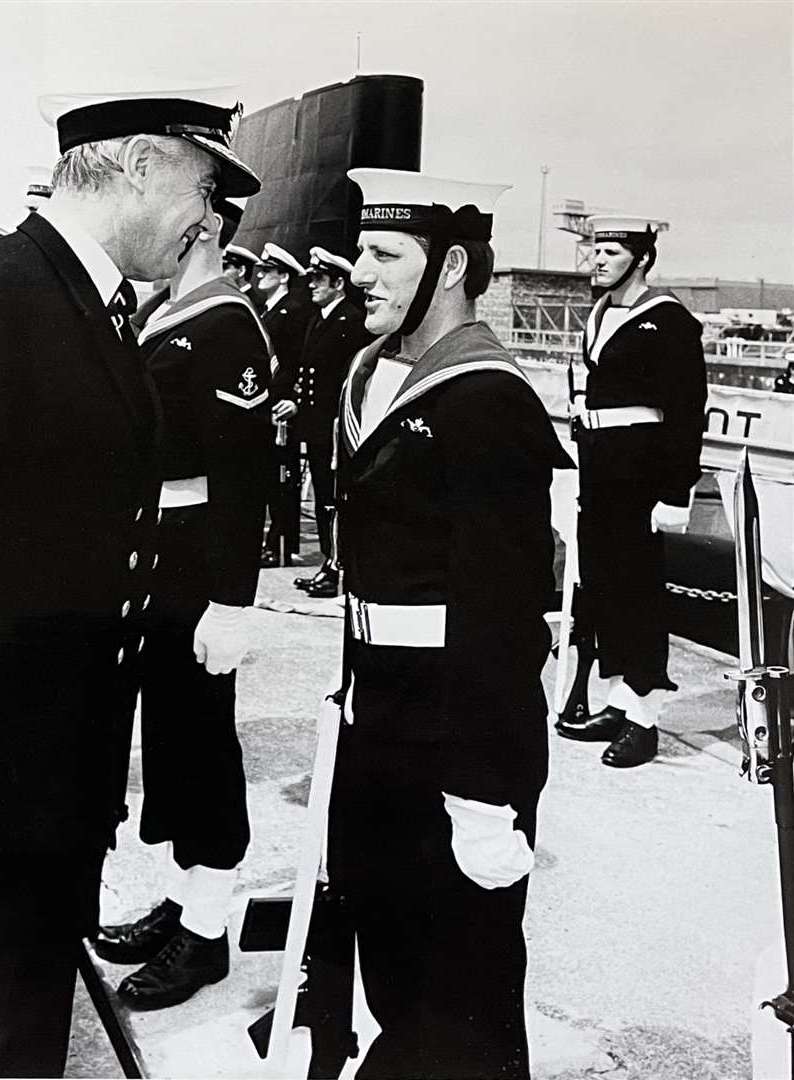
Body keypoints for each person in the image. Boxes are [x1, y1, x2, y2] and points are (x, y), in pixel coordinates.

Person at [0, 85, 260, 1076]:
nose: (208, 218)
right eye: (202, 184)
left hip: (35, 787)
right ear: (141, 165)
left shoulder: (72, 301)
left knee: (12, 1041)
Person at [320, 168, 572, 1079]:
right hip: (375, 711)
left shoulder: (487, 400)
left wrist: (484, 789)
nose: (360, 270)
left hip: (453, 724)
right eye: (361, 250)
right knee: (390, 952)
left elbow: (504, 619)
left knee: (464, 977)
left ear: (452, 265)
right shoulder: (372, 373)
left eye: (386, 254)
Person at [92, 195, 273, 1009]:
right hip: (153, 558)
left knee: (201, 745)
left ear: (202, 230)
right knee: (169, 744)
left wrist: (234, 600)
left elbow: (244, 479)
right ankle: (184, 899)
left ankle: (208, 934)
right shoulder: (171, 313)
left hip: (195, 566)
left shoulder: (229, 324)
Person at [553, 215, 706, 767]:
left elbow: (687, 415)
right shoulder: (601, 312)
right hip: (600, 473)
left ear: (640, 259)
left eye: (611, 250)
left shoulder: (668, 322)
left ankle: (647, 720)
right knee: (605, 588)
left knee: (638, 592)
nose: (596, 258)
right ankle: (622, 699)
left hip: (639, 478)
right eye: (596, 249)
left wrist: (676, 493)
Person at [293, 246, 370, 598]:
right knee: (324, 493)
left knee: (336, 496)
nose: (312, 285)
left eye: (318, 279)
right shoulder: (318, 319)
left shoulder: (351, 321)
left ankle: (335, 566)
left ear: (338, 283)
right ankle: (329, 560)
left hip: (337, 426)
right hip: (317, 424)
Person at [256, 241, 310, 567]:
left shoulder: (293, 311)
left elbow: (301, 360)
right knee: (272, 476)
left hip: (283, 408)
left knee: (283, 477)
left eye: (268, 271)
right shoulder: (272, 311)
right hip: (271, 403)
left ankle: (280, 544)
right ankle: (274, 539)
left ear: (283, 276)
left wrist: (294, 399)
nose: (260, 275)